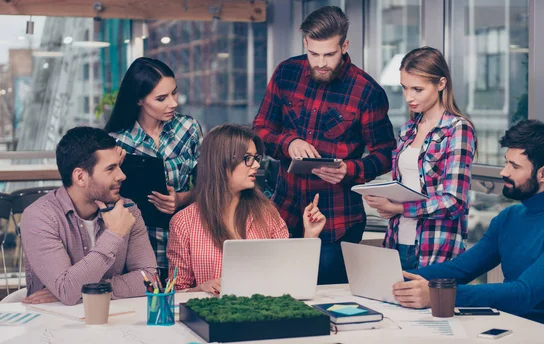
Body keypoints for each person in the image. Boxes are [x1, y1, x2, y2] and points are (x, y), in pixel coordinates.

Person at [391, 120, 544, 327]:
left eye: (514, 166)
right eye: (507, 162)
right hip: (505, 322)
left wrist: (438, 294)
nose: (504, 172)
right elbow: (461, 269)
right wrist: (394, 279)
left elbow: (524, 294)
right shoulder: (510, 217)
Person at [253, 6, 396, 284]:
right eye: (314, 53)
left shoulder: (366, 91)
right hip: (283, 215)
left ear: (345, 46)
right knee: (277, 293)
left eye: (329, 54)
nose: (320, 63)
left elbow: (387, 153)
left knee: (325, 303)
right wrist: (288, 142)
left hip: (337, 223)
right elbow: (259, 130)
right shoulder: (286, 74)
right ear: (306, 43)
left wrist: (350, 170)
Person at [167, 124, 326, 294]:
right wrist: (200, 289)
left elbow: (291, 278)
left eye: (256, 158)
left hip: (262, 313)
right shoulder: (184, 222)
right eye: (248, 158)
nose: (256, 165)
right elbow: (175, 292)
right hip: (212, 315)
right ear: (221, 162)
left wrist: (310, 236)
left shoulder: (267, 212)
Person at [363, 47, 476, 270]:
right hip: (397, 242)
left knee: (429, 305)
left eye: (418, 89)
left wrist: (400, 208)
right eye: (405, 88)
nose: (409, 97)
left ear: (441, 84)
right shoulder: (408, 130)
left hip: (435, 248)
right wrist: (388, 203)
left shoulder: (458, 130)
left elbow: (454, 202)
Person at [20, 127, 157, 306]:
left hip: (115, 321)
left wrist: (85, 290)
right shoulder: (39, 217)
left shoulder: (128, 209)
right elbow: (69, 293)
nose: (122, 176)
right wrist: (114, 235)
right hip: (54, 325)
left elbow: (150, 279)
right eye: (110, 169)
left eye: (119, 166)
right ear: (80, 177)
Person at [105, 57, 203, 277]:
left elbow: (209, 184)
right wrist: (112, 171)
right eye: (161, 98)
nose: (173, 103)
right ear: (139, 100)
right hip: (138, 246)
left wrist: (182, 198)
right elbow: (104, 203)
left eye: (174, 93)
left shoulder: (189, 129)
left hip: (185, 241)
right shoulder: (116, 141)